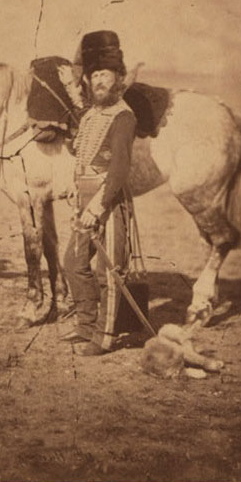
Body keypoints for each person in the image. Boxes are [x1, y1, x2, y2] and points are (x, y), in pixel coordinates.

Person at [61, 30, 138, 356]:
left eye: (104, 74)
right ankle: (85, 325)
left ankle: (105, 336)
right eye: (94, 75)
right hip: (85, 199)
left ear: (118, 77)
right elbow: (80, 153)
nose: (98, 81)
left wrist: (98, 205)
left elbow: (119, 168)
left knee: (109, 273)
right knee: (72, 262)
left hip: (109, 202)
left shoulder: (123, 116)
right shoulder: (92, 115)